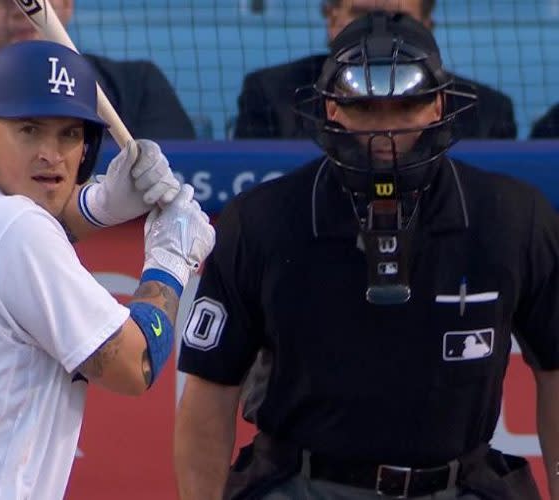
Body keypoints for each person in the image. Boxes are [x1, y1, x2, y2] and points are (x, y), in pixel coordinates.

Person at [175, 12, 558, 500]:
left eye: (406, 106)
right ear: (332, 109)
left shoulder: (512, 218)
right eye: (366, 108)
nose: (387, 130)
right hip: (302, 483)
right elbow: (209, 394)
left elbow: (555, 369)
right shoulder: (262, 221)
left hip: (462, 484)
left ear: (439, 104)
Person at [0, 40, 215, 499]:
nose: (52, 154)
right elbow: (137, 364)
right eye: (30, 129)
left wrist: (101, 204)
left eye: (69, 134)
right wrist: (172, 260)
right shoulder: (16, 228)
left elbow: (19, 234)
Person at [0, 0, 195, 160]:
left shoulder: (138, 86)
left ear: (67, 5)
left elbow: (178, 174)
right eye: (5, 1)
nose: (21, 12)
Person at [234, 0, 517, 140]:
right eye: (363, 15)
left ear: (427, 26)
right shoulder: (272, 95)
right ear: (332, 19)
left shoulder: (485, 112)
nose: (379, 31)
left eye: (399, 18)